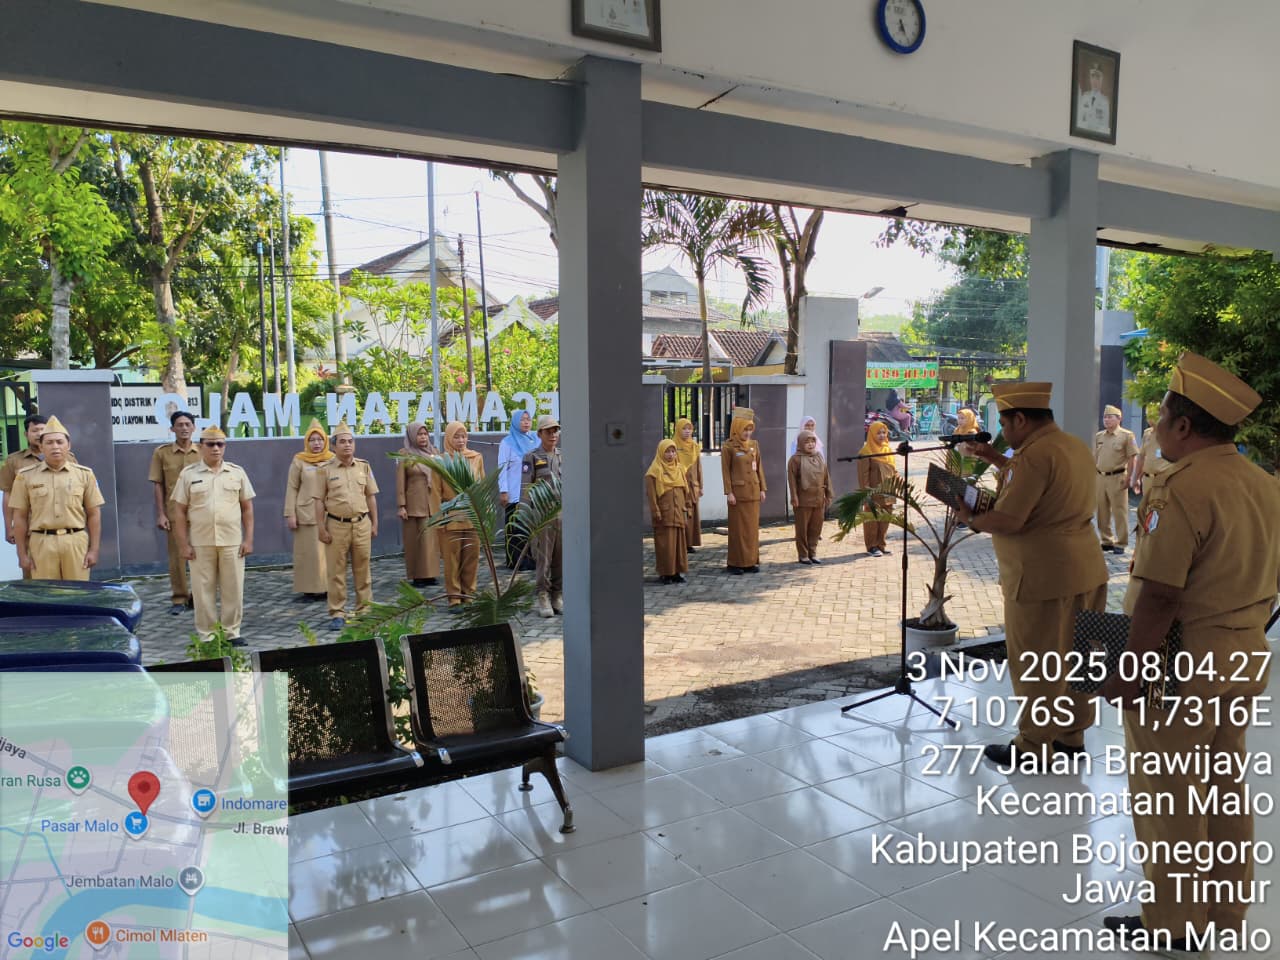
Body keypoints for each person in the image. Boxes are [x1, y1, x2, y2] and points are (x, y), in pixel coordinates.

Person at [1100, 353, 1279, 950]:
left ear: (1182, 425)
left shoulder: (1180, 488)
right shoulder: (1264, 485)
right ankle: (1225, 915)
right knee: (1225, 786)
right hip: (1244, 655)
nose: (1153, 429)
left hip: (1182, 664)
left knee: (1169, 796)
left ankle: (1174, 927)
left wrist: (1130, 669)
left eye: (1160, 417)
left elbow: (1160, 595)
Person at [955, 381, 1108, 770]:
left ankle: (1032, 745)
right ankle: (1071, 737)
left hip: (1043, 578)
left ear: (1020, 419)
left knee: (1037, 663)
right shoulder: (1072, 445)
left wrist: (970, 518)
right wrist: (994, 456)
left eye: (1005, 425)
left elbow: (1010, 519)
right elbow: (1037, 485)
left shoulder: (1033, 457)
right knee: (1081, 659)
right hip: (1087, 570)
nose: (1003, 432)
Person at [170, 425, 255, 646]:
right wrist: (183, 544)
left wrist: (248, 539)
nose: (216, 448)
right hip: (201, 542)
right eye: (211, 444)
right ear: (201, 447)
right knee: (202, 591)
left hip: (231, 541)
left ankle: (231, 632)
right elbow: (179, 512)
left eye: (220, 444)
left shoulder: (237, 472)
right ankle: (207, 635)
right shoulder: (189, 474)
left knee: (233, 589)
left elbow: (247, 509)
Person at [10, 416, 103, 582]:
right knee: (47, 593)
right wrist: (21, 554)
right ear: (41, 447)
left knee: (77, 592)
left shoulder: (84, 474)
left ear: (69, 445)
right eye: (49, 442)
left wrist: (94, 549)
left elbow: (94, 514)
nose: (55, 447)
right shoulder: (25, 476)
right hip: (41, 543)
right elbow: (20, 517)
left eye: (60, 442)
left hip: (75, 541)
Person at [317, 422, 379, 630]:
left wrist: (374, 523)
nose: (347, 445)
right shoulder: (325, 470)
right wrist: (321, 528)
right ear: (334, 446)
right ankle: (337, 612)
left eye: (350, 441)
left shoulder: (363, 466)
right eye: (342, 442)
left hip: (362, 524)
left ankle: (364, 610)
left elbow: (370, 496)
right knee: (336, 571)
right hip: (336, 525)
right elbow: (318, 501)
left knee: (363, 569)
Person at [1, 414, 77, 578]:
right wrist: (9, 527)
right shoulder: (14, 461)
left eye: (43, 430)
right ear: (26, 434)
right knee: (33, 576)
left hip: (64, 528)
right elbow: (8, 494)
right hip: (30, 529)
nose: (39, 434)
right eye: (34, 430)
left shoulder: (68, 458)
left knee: (69, 580)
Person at [149, 410, 200, 613]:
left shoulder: (203, 451)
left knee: (201, 556)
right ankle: (179, 599)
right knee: (177, 558)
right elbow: (158, 484)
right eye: (180, 425)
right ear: (172, 429)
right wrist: (161, 514)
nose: (184, 428)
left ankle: (198, 597)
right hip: (174, 514)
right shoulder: (161, 453)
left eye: (188, 424)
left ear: (194, 427)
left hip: (200, 513)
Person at [284, 419, 333, 603]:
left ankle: (328, 588)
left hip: (329, 513)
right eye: (312, 440)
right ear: (306, 442)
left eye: (320, 439)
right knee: (307, 553)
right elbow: (292, 487)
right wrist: (290, 513)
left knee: (327, 554)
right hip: (306, 514)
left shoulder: (333, 459)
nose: (316, 443)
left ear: (325, 441)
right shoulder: (299, 460)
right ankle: (309, 590)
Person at [438, 420, 485, 606]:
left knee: (471, 557)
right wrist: (439, 518)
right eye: (456, 437)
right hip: (451, 516)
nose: (461, 440)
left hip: (472, 515)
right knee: (452, 560)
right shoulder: (441, 461)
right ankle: (454, 597)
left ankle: (469, 594)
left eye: (463, 436)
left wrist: (483, 513)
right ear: (449, 438)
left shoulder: (476, 457)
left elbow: (482, 485)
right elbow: (435, 493)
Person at [521, 415, 563, 617]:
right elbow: (526, 487)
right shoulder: (531, 457)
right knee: (543, 557)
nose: (553, 435)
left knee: (560, 557)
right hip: (542, 515)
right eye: (548, 431)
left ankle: (557, 594)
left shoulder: (563, 456)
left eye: (555, 431)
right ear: (539, 434)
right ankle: (543, 595)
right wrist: (526, 516)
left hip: (562, 514)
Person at [396, 421, 441, 587]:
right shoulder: (405, 454)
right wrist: (401, 505)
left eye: (425, 434)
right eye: (419, 434)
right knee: (415, 541)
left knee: (431, 541)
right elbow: (400, 481)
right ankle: (417, 576)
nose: (423, 437)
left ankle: (430, 574)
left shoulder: (434, 452)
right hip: (413, 504)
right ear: (411, 436)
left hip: (432, 503)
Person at [722, 407, 765, 575]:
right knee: (738, 530)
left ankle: (750, 561)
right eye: (744, 429)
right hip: (738, 495)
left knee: (752, 530)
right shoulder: (728, 446)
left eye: (750, 429)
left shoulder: (754, 445)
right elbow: (726, 471)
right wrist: (729, 492)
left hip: (753, 492)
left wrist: (762, 488)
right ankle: (735, 563)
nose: (747, 433)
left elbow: (759, 467)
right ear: (737, 428)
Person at [1095, 403, 1139, 553]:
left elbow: (1132, 458)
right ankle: (1106, 540)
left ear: (1119, 418)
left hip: (1118, 477)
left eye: (1110, 417)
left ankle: (1121, 542)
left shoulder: (1127, 435)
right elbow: (1097, 457)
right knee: (1102, 511)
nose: (1106, 420)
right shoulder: (1099, 436)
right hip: (1101, 477)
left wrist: (1130, 478)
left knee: (1119, 511)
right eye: (1104, 417)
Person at [645, 438, 689, 584]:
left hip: (678, 512)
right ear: (660, 453)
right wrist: (655, 511)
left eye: (673, 451)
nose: (671, 455)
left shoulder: (680, 469)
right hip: (664, 514)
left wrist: (687, 508)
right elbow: (651, 495)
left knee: (679, 544)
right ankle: (666, 573)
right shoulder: (654, 471)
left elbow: (685, 492)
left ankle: (677, 572)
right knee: (666, 544)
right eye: (667, 452)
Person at [498, 410, 538, 569]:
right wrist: (503, 491)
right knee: (514, 528)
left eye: (528, 419)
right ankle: (515, 561)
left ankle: (531, 560)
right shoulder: (507, 443)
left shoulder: (536, 440)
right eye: (522, 419)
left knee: (531, 528)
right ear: (515, 422)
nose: (526, 422)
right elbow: (502, 468)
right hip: (514, 494)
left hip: (533, 493)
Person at [788, 429, 832, 564]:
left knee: (816, 528)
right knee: (802, 528)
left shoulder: (819, 456)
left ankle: (813, 552)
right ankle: (803, 555)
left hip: (818, 498)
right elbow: (792, 481)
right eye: (807, 442)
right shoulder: (795, 459)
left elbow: (826, 477)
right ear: (801, 443)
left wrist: (829, 494)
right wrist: (794, 497)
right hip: (803, 500)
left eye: (813, 441)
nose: (811, 444)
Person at [856, 420, 897, 557]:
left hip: (888, 492)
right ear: (872, 434)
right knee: (872, 519)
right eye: (878, 433)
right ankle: (872, 546)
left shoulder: (888, 450)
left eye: (884, 432)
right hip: (874, 493)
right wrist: (866, 494)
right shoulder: (866, 452)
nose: (882, 435)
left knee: (885, 519)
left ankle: (881, 544)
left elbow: (893, 470)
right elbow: (863, 476)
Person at [673, 418, 703, 553]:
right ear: (678, 430)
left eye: (689, 429)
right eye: (684, 429)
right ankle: (681, 543)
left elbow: (698, 468)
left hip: (693, 486)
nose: (687, 431)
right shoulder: (673, 446)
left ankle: (689, 543)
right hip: (680, 487)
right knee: (682, 514)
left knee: (692, 516)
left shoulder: (695, 446)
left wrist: (700, 486)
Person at [1130, 403, 1169, 496]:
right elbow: (1141, 458)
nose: (1149, 419)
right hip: (1147, 480)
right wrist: (1135, 478)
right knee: (1147, 505)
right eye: (1148, 416)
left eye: (1153, 415)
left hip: (1164, 481)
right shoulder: (1147, 433)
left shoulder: (1170, 433)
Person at [1076, 62, 1111, 135]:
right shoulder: (1084, 97)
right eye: (1092, 77)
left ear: (1102, 80)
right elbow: (1078, 121)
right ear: (1090, 78)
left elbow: (1105, 127)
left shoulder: (1105, 102)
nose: (1095, 81)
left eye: (1098, 78)